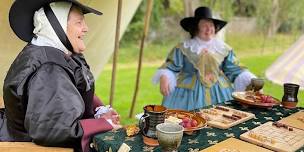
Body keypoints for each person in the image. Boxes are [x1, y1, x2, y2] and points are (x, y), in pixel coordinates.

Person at [0, 0, 121, 151]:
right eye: (79, 22)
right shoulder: (48, 70)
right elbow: (55, 129)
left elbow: (78, 85)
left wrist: (100, 109)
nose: (86, 28)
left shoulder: (60, 53)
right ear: (56, 26)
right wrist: (104, 123)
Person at [152, 6, 256, 111]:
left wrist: (248, 78)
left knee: (223, 118)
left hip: (220, 92)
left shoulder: (223, 48)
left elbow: (234, 68)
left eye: (211, 25)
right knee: (187, 121)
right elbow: (171, 66)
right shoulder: (184, 48)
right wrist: (165, 76)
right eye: (204, 25)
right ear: (196, 28)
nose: (209, 29)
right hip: (189, 94)